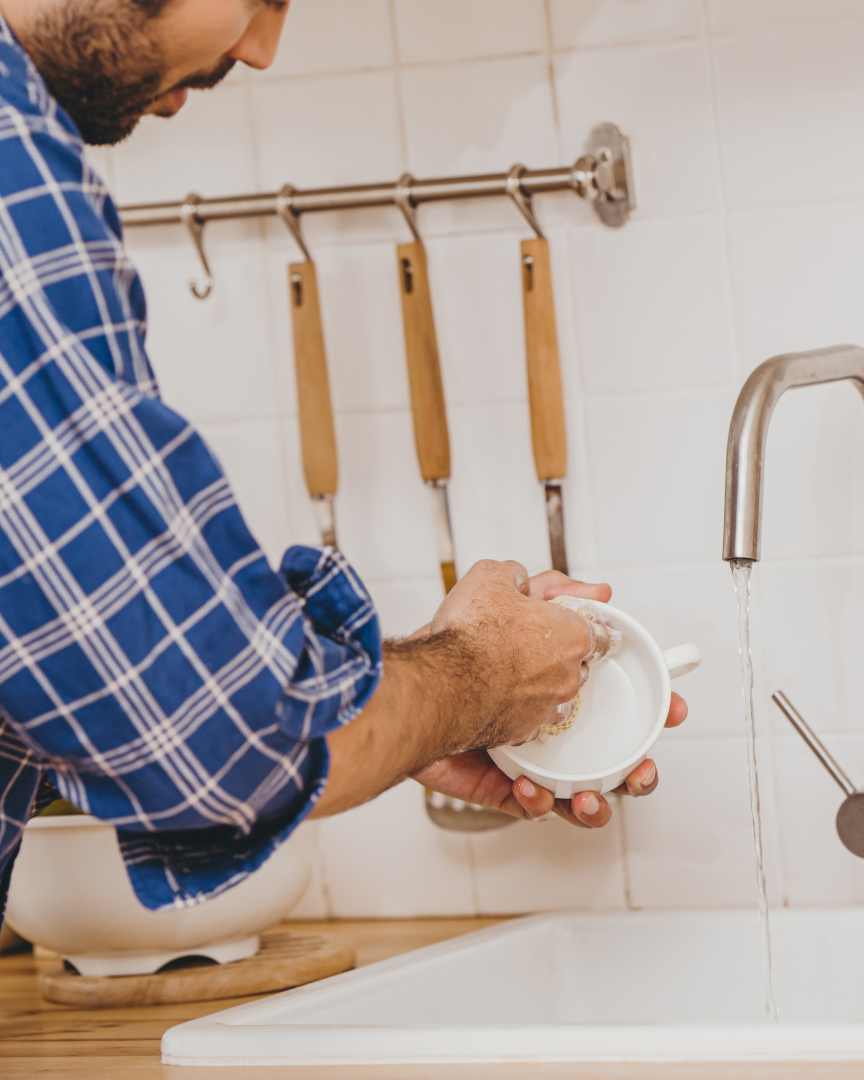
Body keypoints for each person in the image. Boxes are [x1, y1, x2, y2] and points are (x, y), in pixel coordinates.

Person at [0, 0, 688, 917]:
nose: (263, 47)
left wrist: (414, 700)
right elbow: (217, 739)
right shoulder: (17, 182)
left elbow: (99, 664)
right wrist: (473, 677)